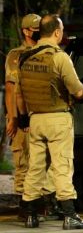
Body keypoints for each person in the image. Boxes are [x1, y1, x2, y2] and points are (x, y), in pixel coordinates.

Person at [17, 14, 83, 230]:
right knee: (62, 166)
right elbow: (77, 90)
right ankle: (70, 215)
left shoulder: (24, 57)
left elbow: (19, 95)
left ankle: (30, 215)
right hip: (58, 119)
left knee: (35, 168)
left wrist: (23, 117)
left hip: (35, 118)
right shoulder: (59, 57)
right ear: (57, 33)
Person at [4, 13, 63, 221]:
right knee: (24, 161)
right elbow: (12, 90)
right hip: (22, 117)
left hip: (39, 114)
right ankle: (25, 205)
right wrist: (14, 118)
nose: (38, 32)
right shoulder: (16, 54)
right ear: (26, 31)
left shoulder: (46, 51)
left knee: (44, 161)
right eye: (34, 28)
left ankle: (44, 204)